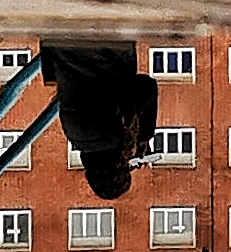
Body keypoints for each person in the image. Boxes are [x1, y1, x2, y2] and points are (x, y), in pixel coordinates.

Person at [39, 44, 160, 198]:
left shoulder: (117, 134)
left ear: (120, 167)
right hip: (63, 46)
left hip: (107, 45)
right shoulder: (74, 136)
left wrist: (144, 136)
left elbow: (147, 87)